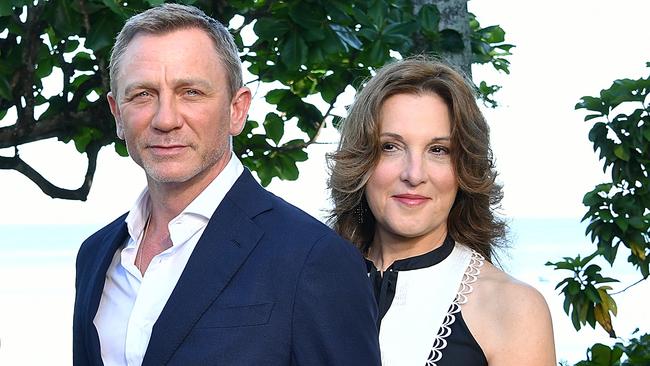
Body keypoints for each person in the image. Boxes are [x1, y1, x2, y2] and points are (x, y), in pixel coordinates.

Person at [72, 4, 380, 366]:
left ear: (237, 109)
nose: (166, 119)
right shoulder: (95, 256)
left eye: (191, 92)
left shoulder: (314, 258)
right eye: (143, 94)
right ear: (117, 114)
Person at [328, 58, 556, 365]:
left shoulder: (514, 309)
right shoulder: (311, 284)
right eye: (390, 147)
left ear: (464, 168)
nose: (414, 174)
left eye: (438, 150)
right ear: (361, 160)